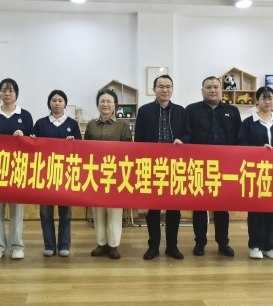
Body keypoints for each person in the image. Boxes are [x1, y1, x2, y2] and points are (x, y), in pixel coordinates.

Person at [135, 74, 191, 261]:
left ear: (172, 90)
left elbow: (188, 134)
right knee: (153, 209)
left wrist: (182, 140)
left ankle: (172, 246)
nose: (165, 90)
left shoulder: (181, 111)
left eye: (168, 87)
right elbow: (139, 139)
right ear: (154, 90)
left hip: (175, 167)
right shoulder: (144, 111)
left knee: (174, 209)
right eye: (161, 87)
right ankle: (153, 247)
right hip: (153, 166)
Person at [186, 76, 241, 258]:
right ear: (202, 90)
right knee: (200, 205)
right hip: (199, 165)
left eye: (216, 87)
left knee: (222, 206)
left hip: (225, 166)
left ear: (221, 90)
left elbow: (239, 138)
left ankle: (223, 242)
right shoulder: (192, 110)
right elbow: (187, 134)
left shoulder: (232, 111)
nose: (212, 90)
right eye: (208, 87)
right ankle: (200, 242)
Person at [0, 78, 34, 261]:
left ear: (16, 94)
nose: (7, 93)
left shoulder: (25, 115)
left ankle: (16, 246)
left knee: (17, 211)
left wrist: (24, 136)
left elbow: (32, 141)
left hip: (18, 169)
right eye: (4, 90)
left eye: (11, 90)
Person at [237, 86, 273, 260]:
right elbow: (241, 144)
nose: (267, 101)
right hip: (255, 172)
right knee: (256, 210)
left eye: (270, 98)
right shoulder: (248, 122)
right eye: (264, 98)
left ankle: (270, 245)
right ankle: (256, 245)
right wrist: (258, 149)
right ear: (257, 100)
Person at [31, 89, 81, 257]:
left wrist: (73, 143)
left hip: (66, 174)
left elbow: (80, 149)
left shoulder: (72, 124)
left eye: (60, 100)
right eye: (54, 100)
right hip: (45, 174)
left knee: (65, 212)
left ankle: (64, 245)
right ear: (49, 103)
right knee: (45, 212)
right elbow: (32, 146)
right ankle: (49, 245)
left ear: (65, 103)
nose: (57, 103)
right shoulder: (40, 123)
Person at [83, 89, 132, 259]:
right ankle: (101, 243)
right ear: (98, 104)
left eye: (109, 101)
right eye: (102, 101)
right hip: (95, 173)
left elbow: (129, 149)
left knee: (114, 210)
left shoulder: (122, 125)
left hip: (116, 174)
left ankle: (113, 245)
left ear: (115, 105)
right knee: (98, 210)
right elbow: (84, 149)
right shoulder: (91, 125)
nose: (105, 104)